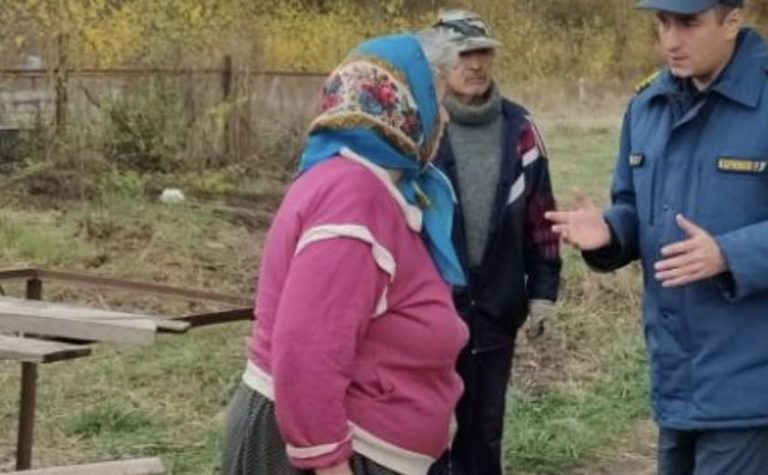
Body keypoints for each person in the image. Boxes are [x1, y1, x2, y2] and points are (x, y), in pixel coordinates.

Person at [220, 32, 469, 475]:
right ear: (404, 107)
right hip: (335, 457)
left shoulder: (369, 188)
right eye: (439, 100)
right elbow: (307, 349)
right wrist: (329, 462)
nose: (445, 118)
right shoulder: (354, 198)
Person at [546, 0, 768, 473]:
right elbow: (633, 208)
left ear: (733, 21)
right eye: (662, 23)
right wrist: (608, 232)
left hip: (750, 385)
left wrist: (730, 253)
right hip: (676, 380)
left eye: (688, 23)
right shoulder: (647, 105)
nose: (671, 39)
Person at [426, 10, 562, 475]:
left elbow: (541, 214)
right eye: (464, 54)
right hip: (430, 312)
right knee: (424, 438)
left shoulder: (519, 128)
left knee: (482, 437)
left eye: (483, 52)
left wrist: (543, 293)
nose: (476, 64)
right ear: (440, 64)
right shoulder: (422, 127)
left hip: (496, 312)